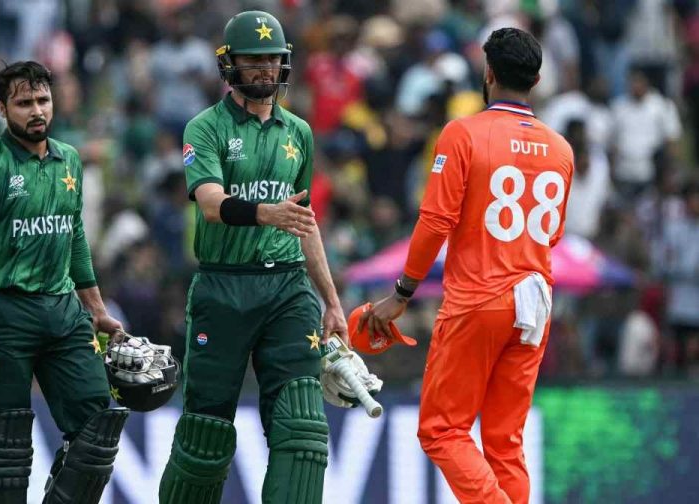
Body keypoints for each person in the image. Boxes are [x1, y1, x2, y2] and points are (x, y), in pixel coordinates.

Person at [360, 28, 574, 504]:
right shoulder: (561, 149)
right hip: (535, 301)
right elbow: (552, 235)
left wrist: (401, 292)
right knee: (505, 445)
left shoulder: (464, 133)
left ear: (489, 73)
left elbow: (435, 222)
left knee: (441, 430)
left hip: (479, 297)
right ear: (537, 79)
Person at [157, 10, 348, 504]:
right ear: (230, 65)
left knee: (303, 426)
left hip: (288, 289)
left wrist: (331, 300)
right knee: (206, 434)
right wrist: (268, 214)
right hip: (223, 287)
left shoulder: (299, 133)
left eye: (272, 59)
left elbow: (303, 222)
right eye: (253, 60)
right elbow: (210, 205)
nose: (264, 68)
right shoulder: (205, 128)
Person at [0, 61, 127, 503]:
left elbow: (73, 233)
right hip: (2, 314)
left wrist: (95, 308)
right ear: (3, 109)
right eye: (24, 103)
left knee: (97, 434)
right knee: (7, 451)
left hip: (63, 312)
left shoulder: (70, 159)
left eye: (43, 100)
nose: (36, 111)